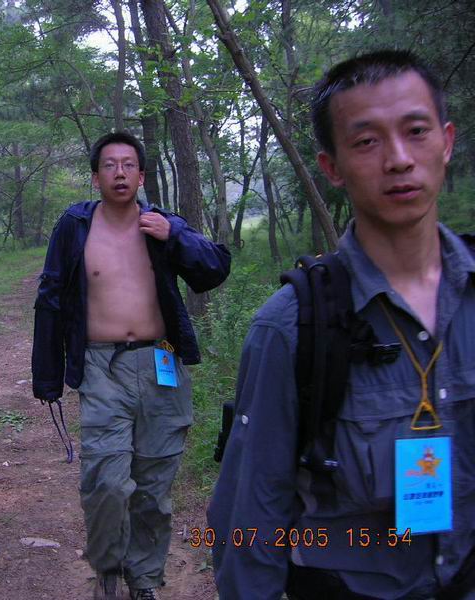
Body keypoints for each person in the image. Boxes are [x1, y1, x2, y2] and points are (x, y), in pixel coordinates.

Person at [209, 50, 475, 599]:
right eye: (367, 141)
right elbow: (248, 524)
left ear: (446, 141)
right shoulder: (292, 327)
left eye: (416, 131)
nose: (399, 159)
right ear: (332, 168)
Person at [32, 131, 231, 600]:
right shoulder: (76, 226)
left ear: (141, 176)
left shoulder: (162, 224)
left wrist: (176, 236)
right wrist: (47, 375)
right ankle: (107, 567)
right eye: (109, 165)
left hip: (160, 362)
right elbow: (51, 297)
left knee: (152, 487)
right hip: (101, 366)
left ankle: (143, 579)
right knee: (105, 480)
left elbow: (215, 269)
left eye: (128, 165)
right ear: (95, 176)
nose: (119, 173)